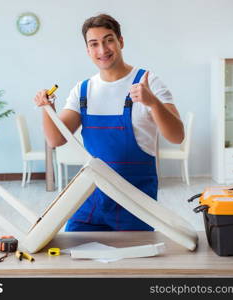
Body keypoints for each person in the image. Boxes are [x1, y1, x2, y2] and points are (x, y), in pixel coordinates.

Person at [33, 14, 184, 231]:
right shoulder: (83, 90)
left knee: (134, 261)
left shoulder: (148, 82)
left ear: (121, 41)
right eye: (94, 44)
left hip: (136, 200)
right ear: (88, 50)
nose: (102, 50)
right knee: (77, 257)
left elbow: (177, 136)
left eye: (108, 40)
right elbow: (55, 139)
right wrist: (47, 109)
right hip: (91, 198)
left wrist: (153, 103)